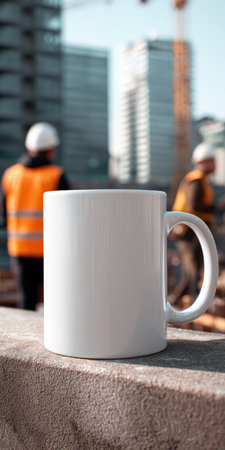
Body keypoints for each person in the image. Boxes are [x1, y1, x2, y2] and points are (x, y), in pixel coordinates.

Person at [0, 122, 70, 310]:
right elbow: (69, 218)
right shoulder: (56, 175)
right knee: (57, 301)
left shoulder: (10, 175)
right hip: (50, 250)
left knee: (27, 301)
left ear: (29, 147)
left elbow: (4, 215)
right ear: (51, 149)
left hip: (19, 249)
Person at [170, 142, 219, 304]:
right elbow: (194, 205)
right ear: (201, 162)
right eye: (210, 160)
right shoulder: (196, 180)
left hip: (191, 230)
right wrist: (217, 207)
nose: (214, 164)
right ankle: (188, 304)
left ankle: (179, 302)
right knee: (192, 271)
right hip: (186, 231)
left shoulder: (202, 180)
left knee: (193, 270)